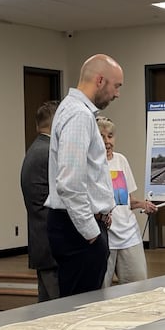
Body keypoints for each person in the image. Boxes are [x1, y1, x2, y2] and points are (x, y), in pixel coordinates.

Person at [45, 54, 122, 297]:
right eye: (116, 86)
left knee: (81, 307)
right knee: (80, 313)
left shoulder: (73, 109)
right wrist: (91, 232)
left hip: (76, 226)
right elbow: (69, 184)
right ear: (100, 80)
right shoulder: (79, 115)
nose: (117, 93)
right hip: (78, 230)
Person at [97, 116, 157, 286]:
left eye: (110, 136)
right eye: (101, 136)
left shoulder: (120, 160)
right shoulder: (91, 164)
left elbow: (127, 201)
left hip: (129, 235)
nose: (107, 141)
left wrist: (142, 204)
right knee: (99, 294)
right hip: (104, 237)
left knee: (137, 288)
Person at [20, 100, 60, 302]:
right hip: (52, 241)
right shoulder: (48, 152)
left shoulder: (35, 148)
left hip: (41, 241)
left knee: (46, 308)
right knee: (59, 309)